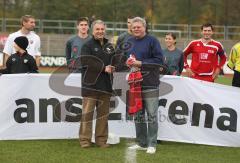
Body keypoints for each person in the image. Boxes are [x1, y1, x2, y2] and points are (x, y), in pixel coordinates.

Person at [126, 17, 163, 154]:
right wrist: (128, 62)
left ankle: (152, 143)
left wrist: (140, 63)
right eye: (134, 27)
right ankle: (141, 143)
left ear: (144, 27)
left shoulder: (152, 41)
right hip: (135, 84)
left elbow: (159, 61)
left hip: (150, 83)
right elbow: (125, 57)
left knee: (152, 114)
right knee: (138, 115)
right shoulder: (129, 41)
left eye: (138, 27)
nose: (136, 29)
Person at [79, 20, 115, 148]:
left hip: (106, 86)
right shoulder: (87, 45)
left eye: (102, 29)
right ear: (92, 31)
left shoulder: (110, 46)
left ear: (105, 30)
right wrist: (104, 68)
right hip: (91, 86)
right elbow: (86, 61)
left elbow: (114, 61)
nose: (100, 31)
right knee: (87, 115)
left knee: (103, 116)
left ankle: (101, 141)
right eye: (97, 29)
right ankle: (85, 141)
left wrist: (116, 65)